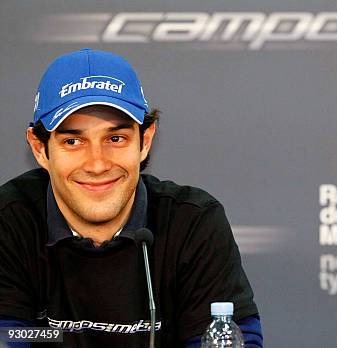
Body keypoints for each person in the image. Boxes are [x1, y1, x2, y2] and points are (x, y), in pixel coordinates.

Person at [0, 49, 263, 347]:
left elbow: (229, 338)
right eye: (73, 141)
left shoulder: (192, 223)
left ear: (145, 141)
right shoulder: (9, 222)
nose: (97, 164)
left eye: (116, 139)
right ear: (39, 149)